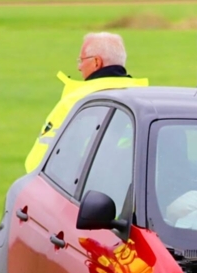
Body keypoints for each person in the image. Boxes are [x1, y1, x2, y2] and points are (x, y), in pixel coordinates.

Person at [24, 32, 148, 172]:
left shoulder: (76, 102)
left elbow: (37, 163)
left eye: (81, 60)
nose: (79, 67)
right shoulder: (146, 98)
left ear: (96, 62)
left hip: (81, 189)